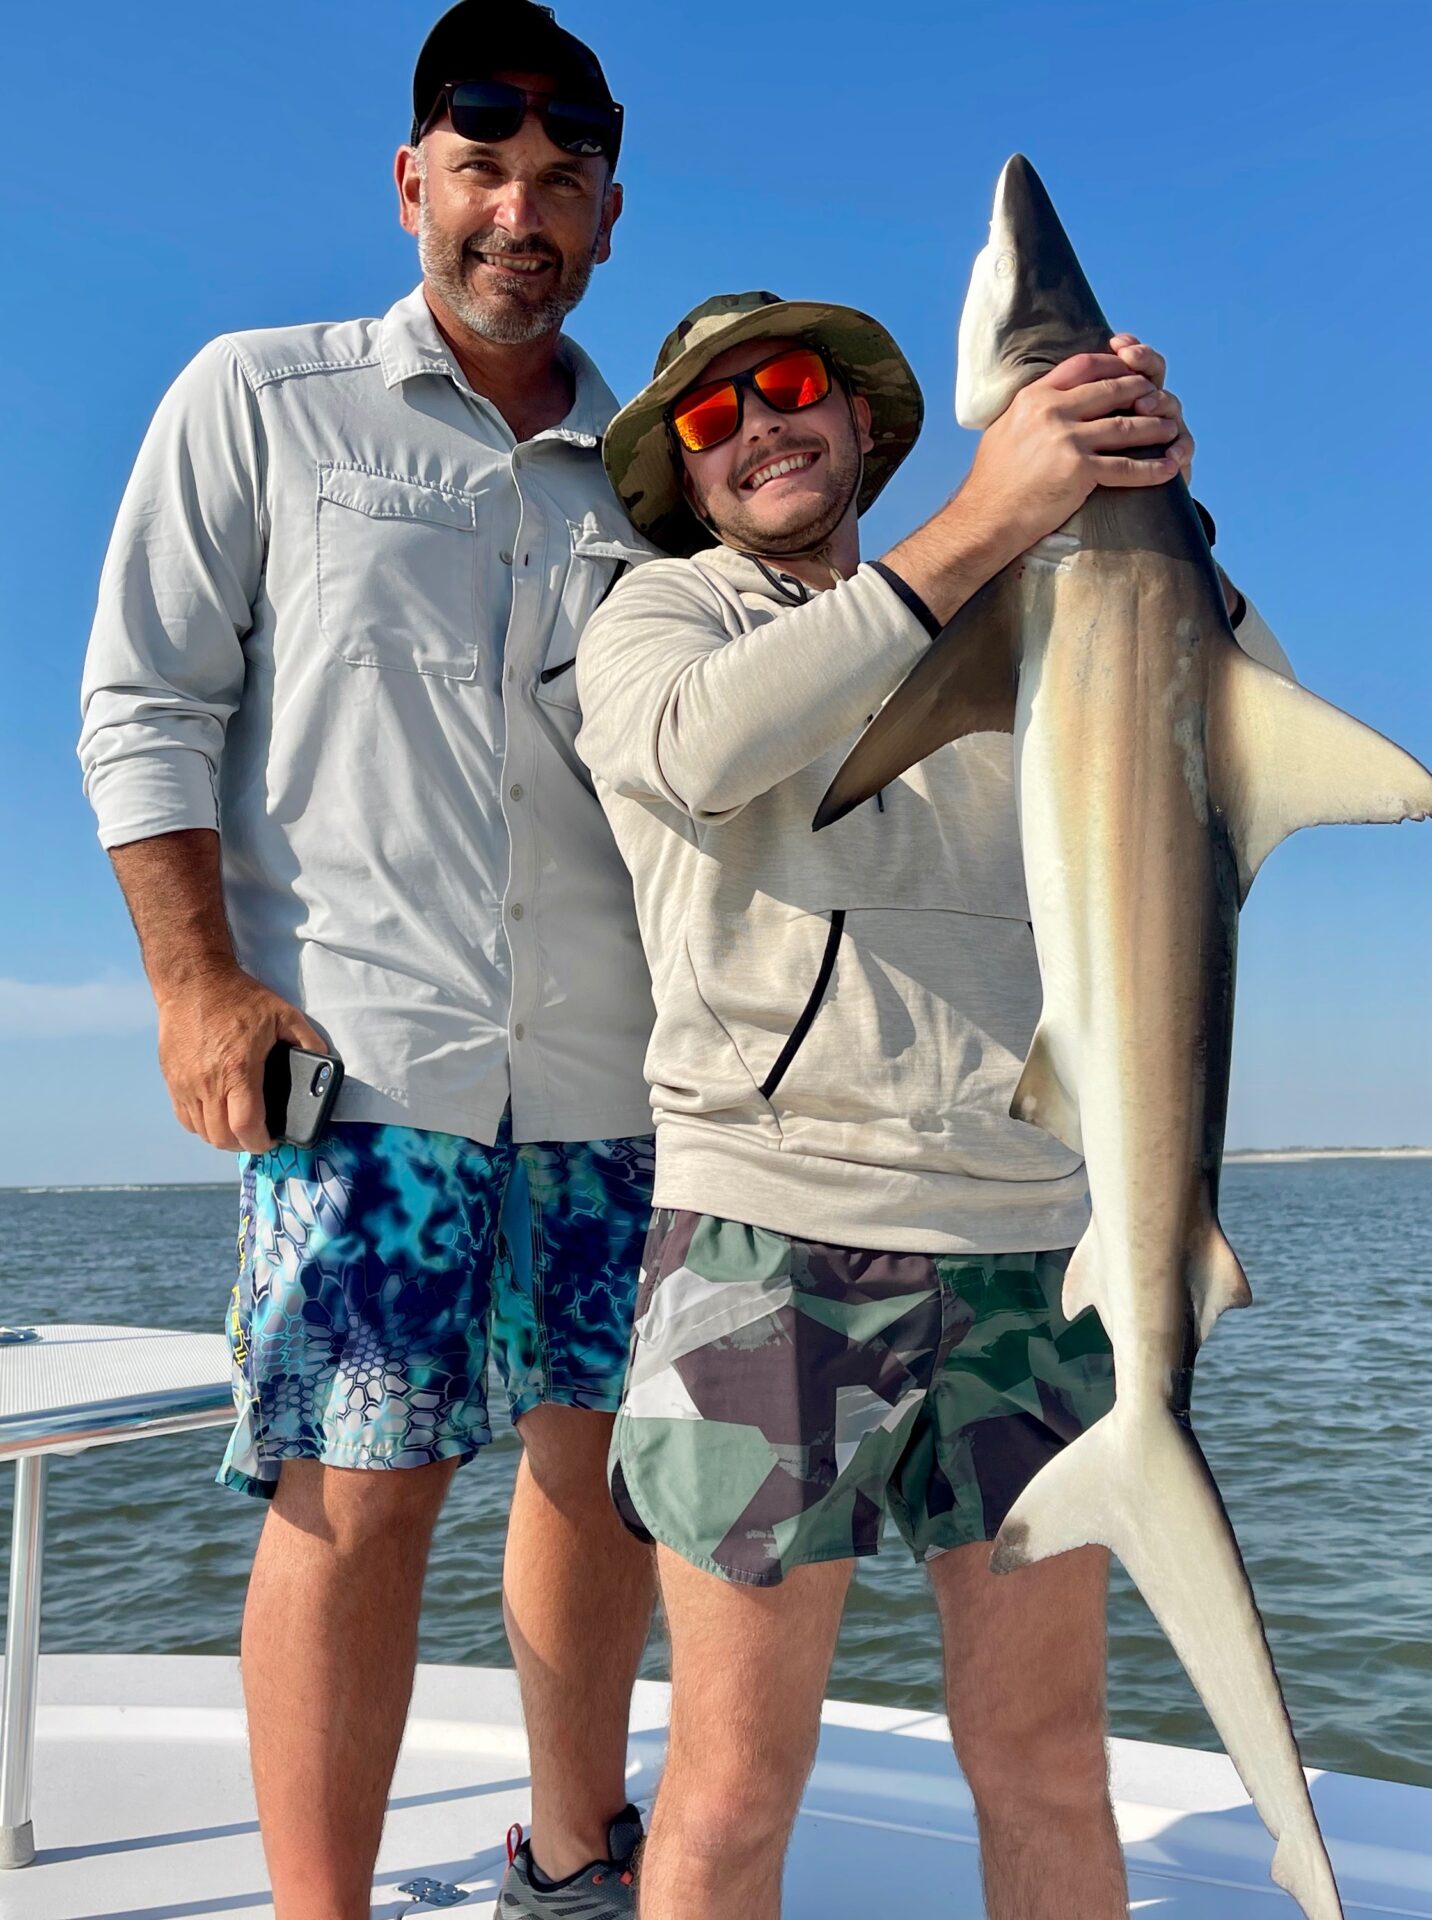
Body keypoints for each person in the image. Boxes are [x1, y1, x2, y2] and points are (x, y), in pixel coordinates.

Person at [575, 291, 1292, 1919]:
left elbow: (1234, 735)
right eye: (708, 413)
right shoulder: (658, 616)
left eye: (787, 385)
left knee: (1046, 1765)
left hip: (1034, 1255)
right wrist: (983, 520)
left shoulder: (1035, 616)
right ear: (681, 473)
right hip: (771, 1247)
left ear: (860, 420)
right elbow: (699, 752)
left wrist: (1160, 515)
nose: (757, 422)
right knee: (736, 1786)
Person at [77, 5, 662, 1914]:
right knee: (355, 1497)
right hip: (363, 1071)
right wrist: (191, 984)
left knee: (603, 1489)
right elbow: (145, 705)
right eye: (482, 171)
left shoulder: (657, 480)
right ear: (410, 181)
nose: (521, 212)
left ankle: (572, 1865)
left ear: (607, 215)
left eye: (561, 181)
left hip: (622, 1072)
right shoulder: (257, 395)